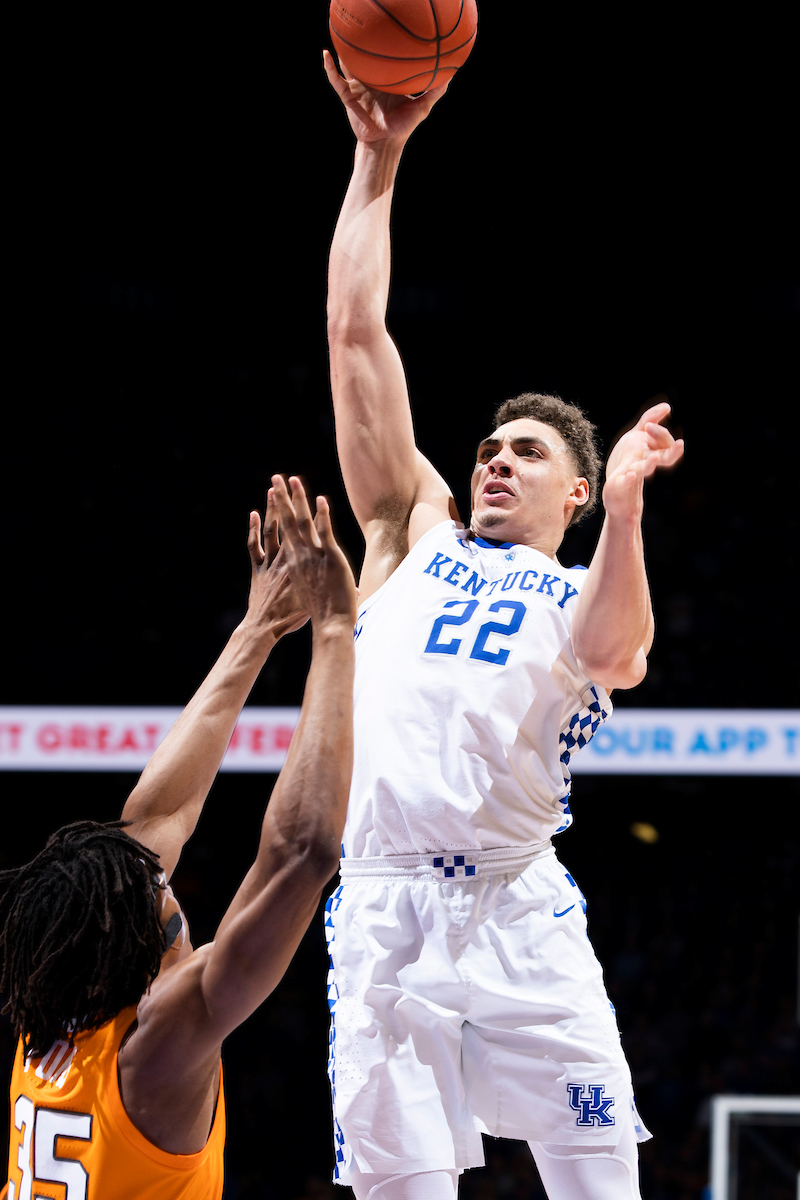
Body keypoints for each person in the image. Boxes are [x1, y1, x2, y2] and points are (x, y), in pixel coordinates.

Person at [322, 50, 685, 1200]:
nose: (494, 455)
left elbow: (620, 655)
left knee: (597, 1183)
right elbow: (353, 336)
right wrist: (376, 157)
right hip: (383, 910)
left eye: (526, 451)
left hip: (518, 904)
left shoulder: (586, 589)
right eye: (489, 442)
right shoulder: (409, 531)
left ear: (572, 495)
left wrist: (627, 513)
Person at [1, 476, 357, 1200]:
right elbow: (304, 855)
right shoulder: (156, 1046)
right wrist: (331, 630)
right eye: (158, 890)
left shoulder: (58, 1008)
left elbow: (152, 821)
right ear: (145, 939)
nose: (166, 875)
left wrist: (258, 628)